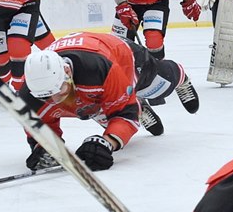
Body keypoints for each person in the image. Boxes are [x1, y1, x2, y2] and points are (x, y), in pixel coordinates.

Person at [20, 32, 200, 171]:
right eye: (46, 97)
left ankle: (179, 77)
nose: (55, 101)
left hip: (122, 57)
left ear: (67, 72)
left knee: (157, 86)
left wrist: (107, 143)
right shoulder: (29, 96)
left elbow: (125, 115)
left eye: (58, 92)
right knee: (92, 108)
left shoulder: (99, 69)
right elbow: (39, 129)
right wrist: (44, 147)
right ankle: (135, 103)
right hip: (97, 84)